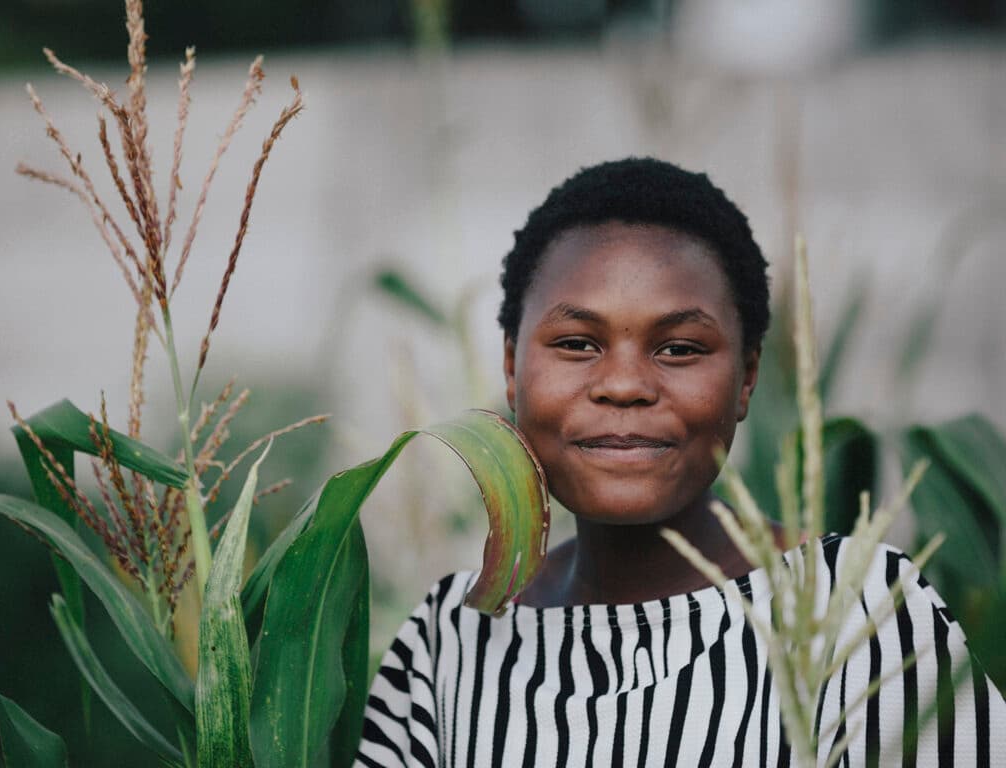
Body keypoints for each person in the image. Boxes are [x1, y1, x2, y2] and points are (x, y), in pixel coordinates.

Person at [354, 158, 1005, 766]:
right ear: (511, 367)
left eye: (680, 349)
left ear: (747, 378)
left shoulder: (857, 610)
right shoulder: (452, 638)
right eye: (577, 343)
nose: (626, 384)